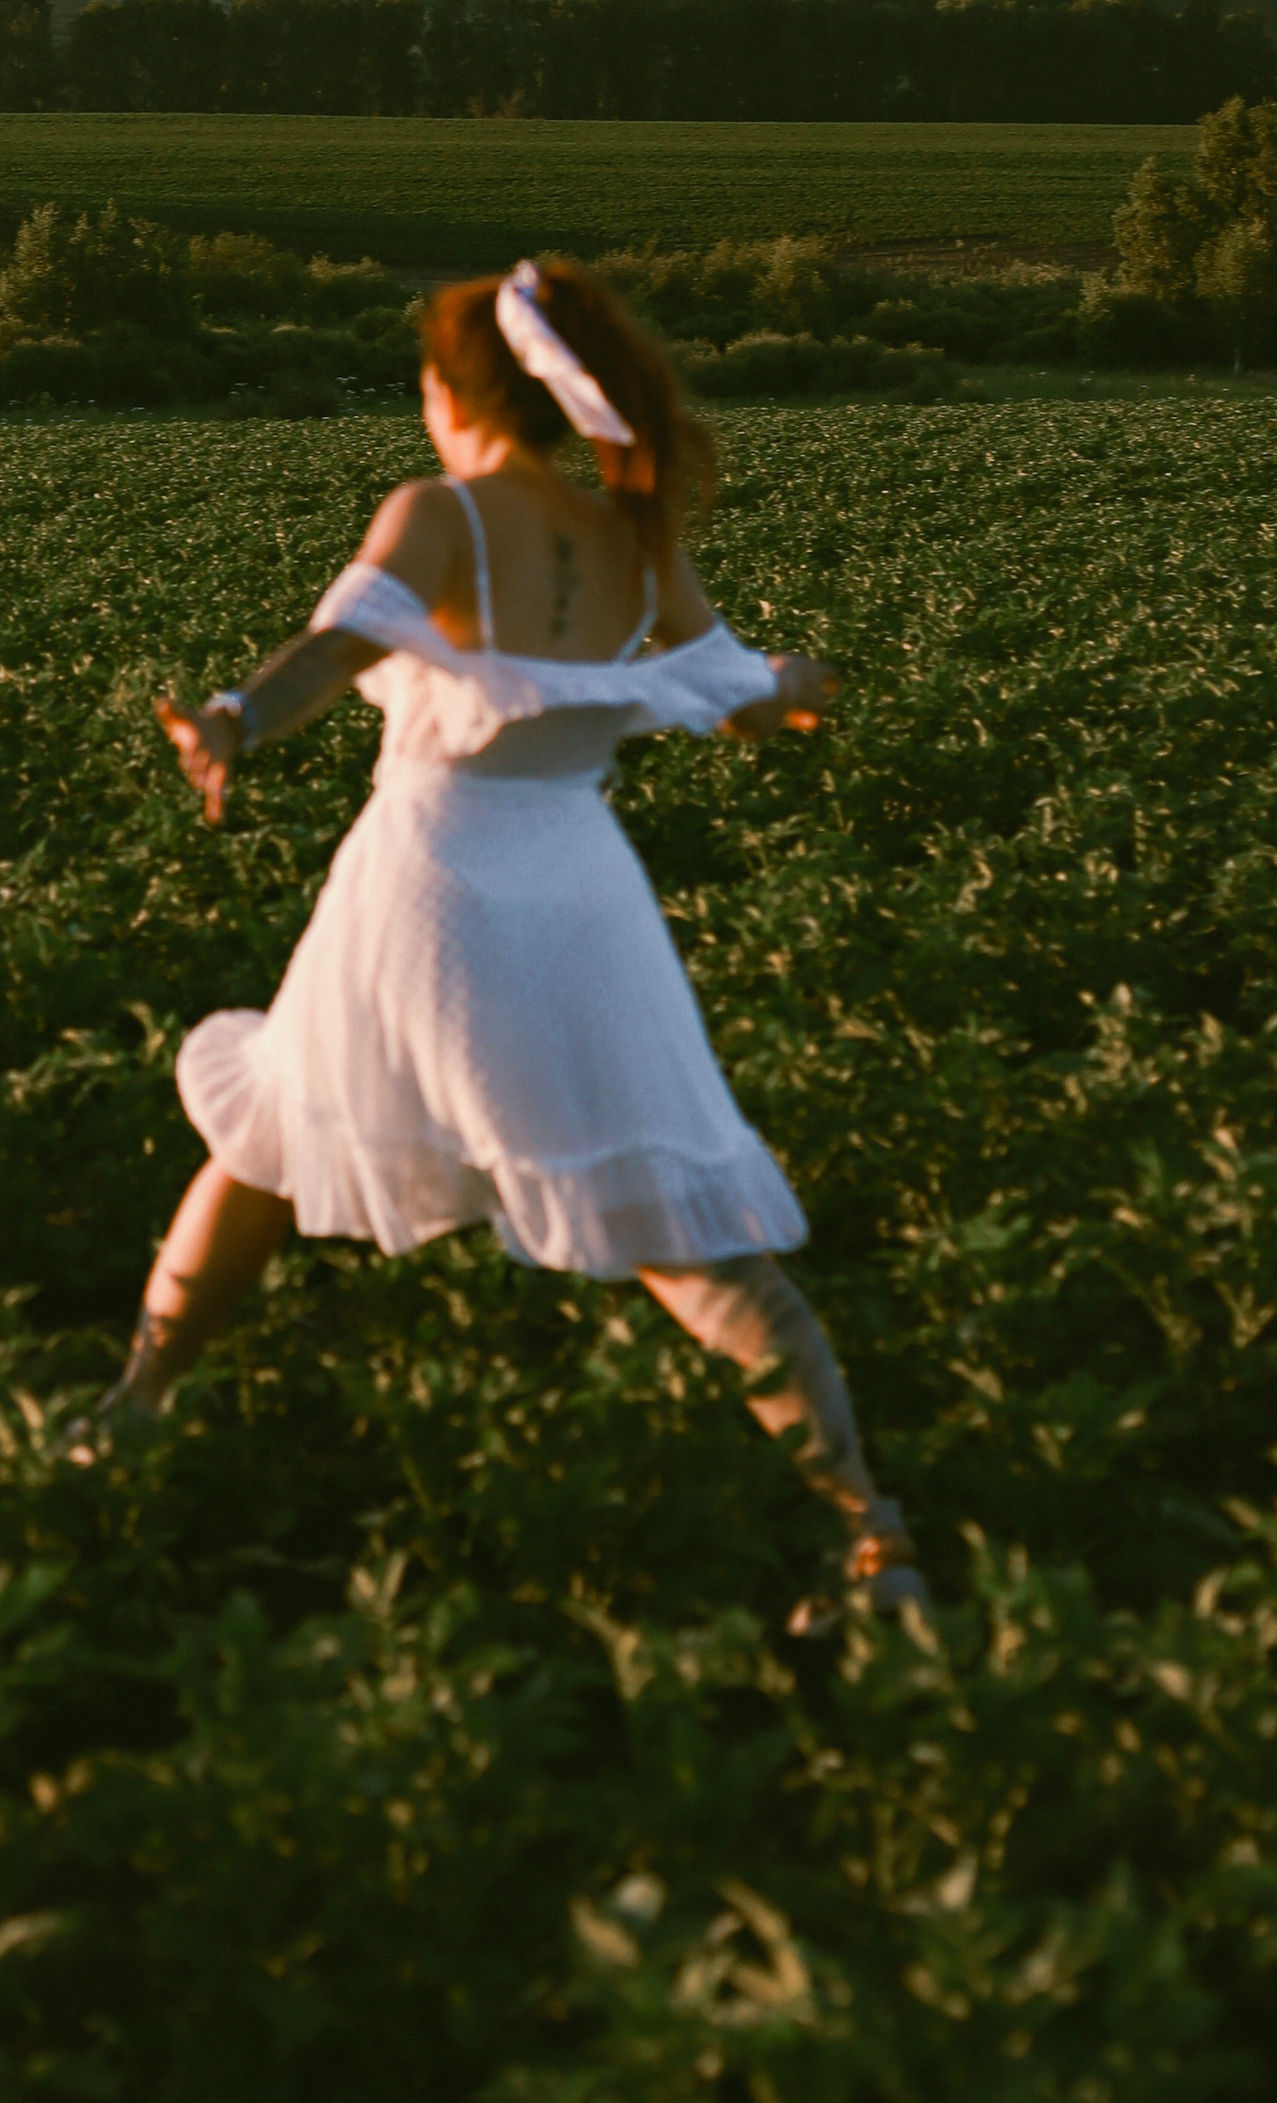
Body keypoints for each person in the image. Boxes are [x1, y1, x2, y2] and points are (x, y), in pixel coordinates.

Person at [81, 255, 928, 1624]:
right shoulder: (636, 536)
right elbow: (746, 699)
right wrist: (803, 690)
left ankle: (132, 1406)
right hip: (585, 892)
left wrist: (230, 722)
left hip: (427, 880)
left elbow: (329, 653)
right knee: (690, 1237)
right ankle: (873, 1536)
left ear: (451, 393)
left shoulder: (439, 514)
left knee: (263, 1143)